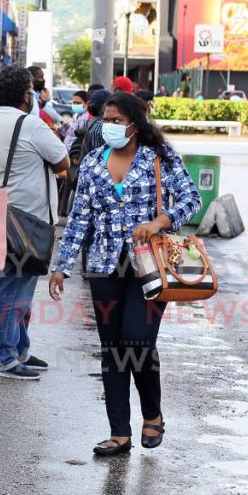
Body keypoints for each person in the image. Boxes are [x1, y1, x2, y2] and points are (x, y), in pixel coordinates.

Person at [49, 93, 200, 456]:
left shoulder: (159, 157)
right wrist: (61, 265)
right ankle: (119, 432)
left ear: (135, 123)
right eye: (106, 119)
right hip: (104, 267)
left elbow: (191, 199)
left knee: (137, 341)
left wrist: (161, 221)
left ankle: (152, 413)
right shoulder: (92, 164)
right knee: (112, 349)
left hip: (150, 267)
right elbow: (80, 219)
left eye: (117, 120)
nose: (109, 126)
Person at [0, 66, 70, 379]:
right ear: (26, 96)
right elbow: (63, 161)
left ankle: (18, 348)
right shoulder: (29, 124)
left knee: (20, 284)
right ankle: (2, 357)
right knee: (14, 287)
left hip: (6, 213)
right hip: (26, 218)